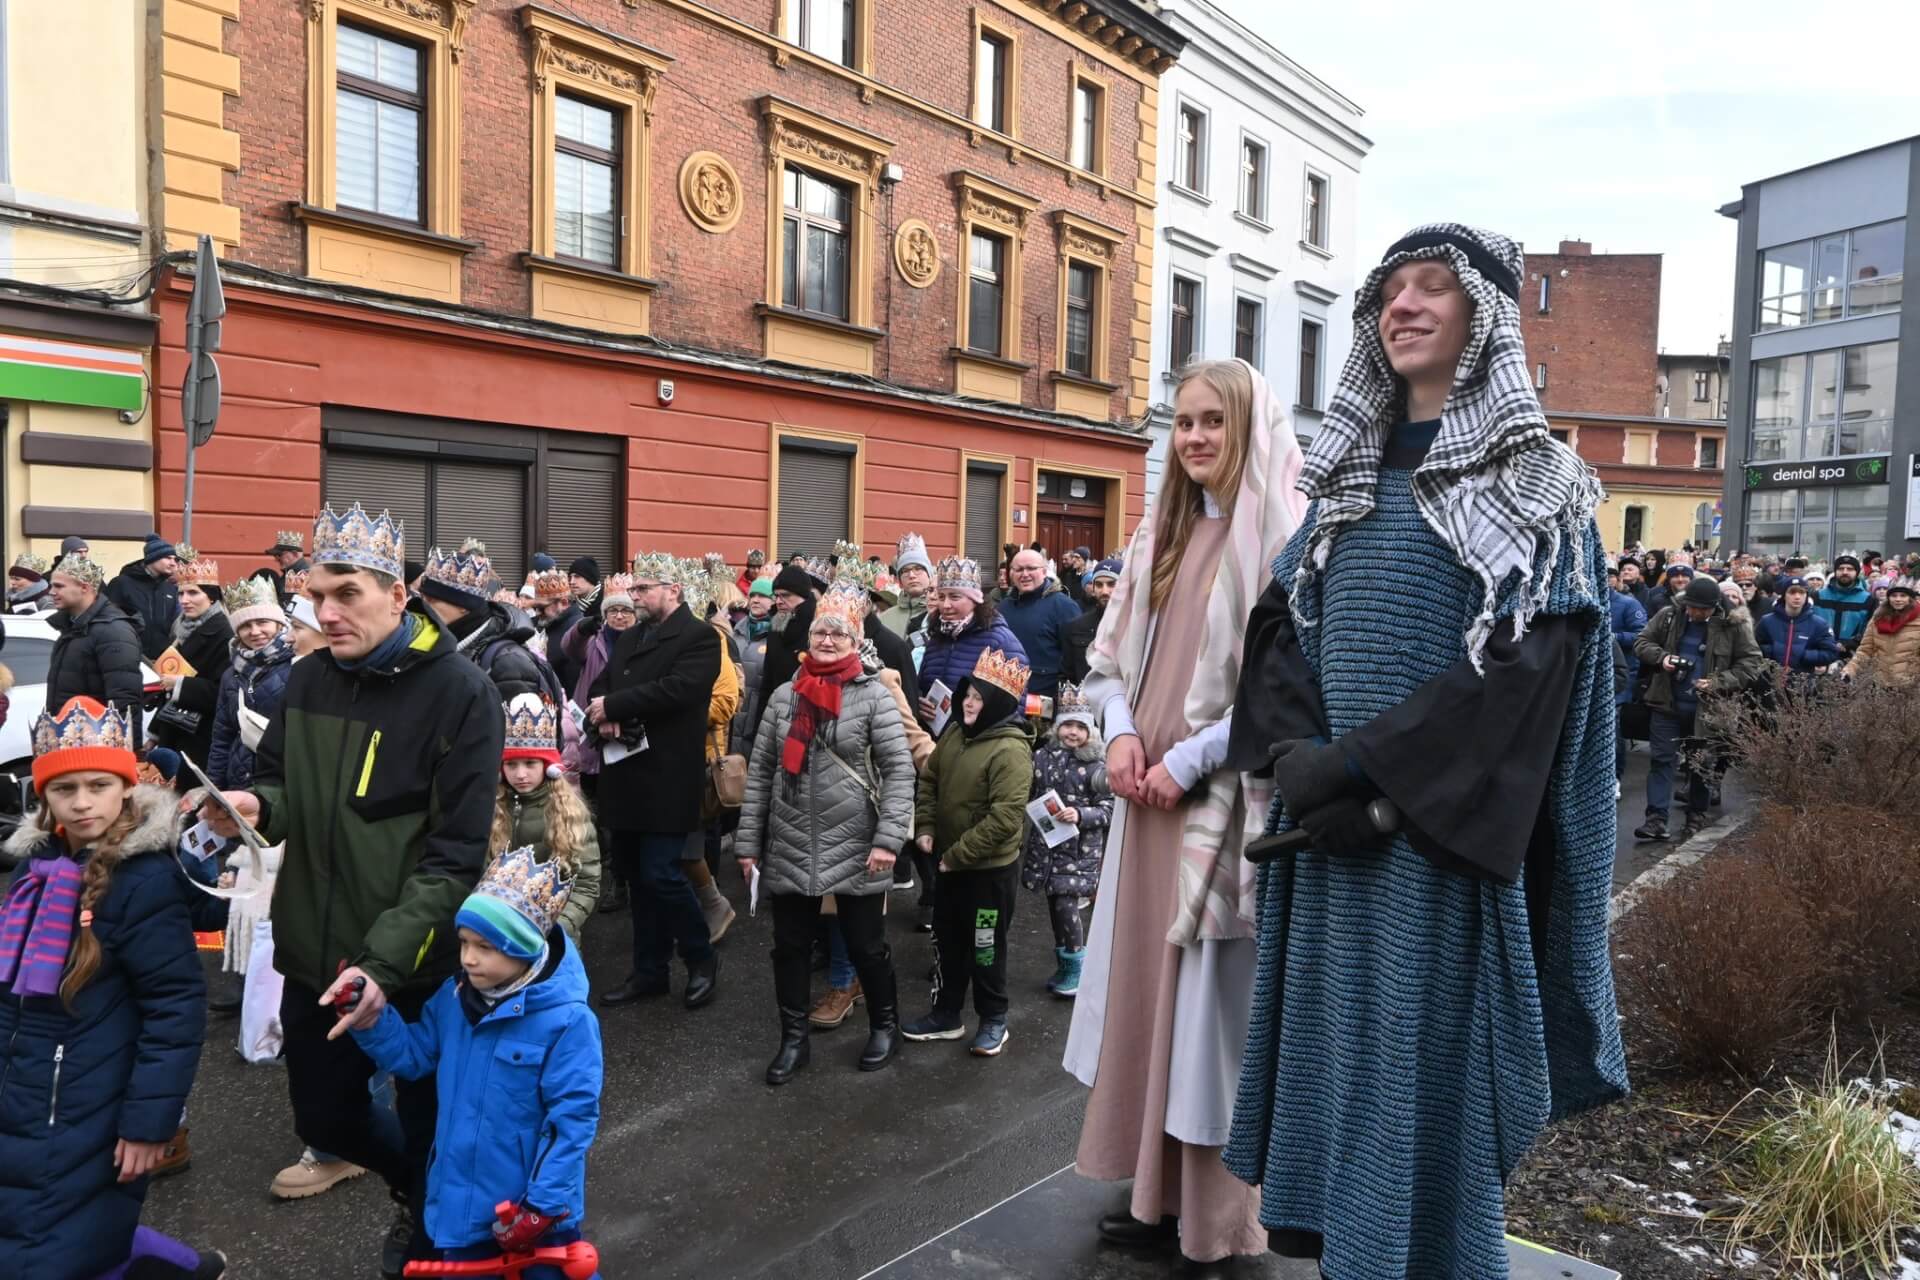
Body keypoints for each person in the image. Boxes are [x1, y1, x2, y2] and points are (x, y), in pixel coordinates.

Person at [1223, 227, 1629, 1278]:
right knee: (1336, 1076)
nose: (1403, 305)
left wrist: (1369, 774)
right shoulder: (1347, 478)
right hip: (1331, 847)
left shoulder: (1539, 486)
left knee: (1423, 1089)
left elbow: (1532, 671)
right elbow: (1281, 624)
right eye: (1391, 291)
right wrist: (1309, 758)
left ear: (1482, 318)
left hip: (1433, 856)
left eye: (1432, 287)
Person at [204, 503, 504, 1279]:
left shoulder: (461, 693)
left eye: (345, 595)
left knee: (430, 1120)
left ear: (397, 596)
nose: (324, 613)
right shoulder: (305, 680)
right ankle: (415, 1183)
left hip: (417, 967)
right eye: (315, 596)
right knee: (324, 1115)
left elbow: (454, 856)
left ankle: (433, 1228)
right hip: (313, 951)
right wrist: (256, 806)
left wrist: (384, 964)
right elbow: (285, 786)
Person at [1057, 357, 1303, 1263]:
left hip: (1218, 813)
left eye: (1214, 421)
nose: (1196, 437)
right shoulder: (1158, 536)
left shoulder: (1285, 545)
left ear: (1247, 427)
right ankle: (1153, 1194)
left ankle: (1215, 1218)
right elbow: (1112, 659)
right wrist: (1121, 738)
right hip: (1144, 802)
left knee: (1208, 1025)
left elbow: (1286, 692)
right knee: (1148, 1003)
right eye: (1185, 422)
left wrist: (1189, 759)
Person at [0, 697, 225, 1279]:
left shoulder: (145, 881)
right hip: (30, 1085)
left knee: (51, 1247)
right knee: (39, 1229)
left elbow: (174, 1009)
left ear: (125, 787)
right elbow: (11, 991)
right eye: (63, 788)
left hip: (92, 1096)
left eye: (98, 785)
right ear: (42, 795)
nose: (80, 803)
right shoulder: (35, 870)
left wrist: (151, 1123)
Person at [351, 846, 602, 1278]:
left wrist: (541, 1206)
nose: (468, 958)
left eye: (485, 946)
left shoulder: (568, 1021)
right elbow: (414, 1057)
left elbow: (572, 1121)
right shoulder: (454, 999)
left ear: (522, 947)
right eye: (464, 942)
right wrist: (371, 1019)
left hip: (532, 1218)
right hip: (460, 1208)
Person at [736, 582, 915, 1084]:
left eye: (840, 633)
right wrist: (748, 844)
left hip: (857, 840)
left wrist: (888, 840)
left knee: (866, 945)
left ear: (856, 641)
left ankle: (885, 1025)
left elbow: (900, 772)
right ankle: (793, 1041)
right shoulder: (783, 696)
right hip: (792, 839)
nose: (829, 641)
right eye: (821, 632)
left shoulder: (875, 696)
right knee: (789, 948)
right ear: (807, 638)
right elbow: (762, 774)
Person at [588, 552, 721, 1011]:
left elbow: (680, 690)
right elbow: (598, 688)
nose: (635, 596)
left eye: (644, 588)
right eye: (635, 588)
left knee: (662, 874)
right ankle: (650, 971)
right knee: (636, 878)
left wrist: (615, 707)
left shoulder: (700, 637)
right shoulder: (629, 637)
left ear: (674, 590)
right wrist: (601, 716)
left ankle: (701, 958)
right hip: (624, 774)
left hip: (667, 776)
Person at [901, 647, 1034, 1058]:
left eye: (978, 697)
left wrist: (956, 856)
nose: (968, 703)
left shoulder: (1011, 751)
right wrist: (924, 826)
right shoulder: (956, 732)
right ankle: (946, 1014)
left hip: (987, 874)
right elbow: (929, 780)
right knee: (947, 940)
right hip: (949, 866)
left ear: (998, 702)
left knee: (985, 945)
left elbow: (1005, 819)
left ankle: (994, 1018)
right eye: (967, 695)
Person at [1633, 573, 1765, 843]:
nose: (1694, 613)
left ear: (1714, 606)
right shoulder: (1670, 616)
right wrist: (1663, 658)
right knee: (1661, 761)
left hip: (1707, 710)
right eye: (1691, 607)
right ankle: (1656, 819)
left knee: (1701, 765)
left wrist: (1718, 682)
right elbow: (1641, 642)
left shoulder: (1734, 626)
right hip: (1666, 703)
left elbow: (1751, 664)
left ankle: (1696, 815)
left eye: (1701, 609)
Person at [1020, 681, 1110, 998]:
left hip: (1077, 853)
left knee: (1066, 908)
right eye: (1067, 725)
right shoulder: (1043, 757)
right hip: (1047, 847)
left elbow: (1108, 809)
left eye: (1079, 726)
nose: (1072, 732)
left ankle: (1077, 967)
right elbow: (1031, 791)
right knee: (1054, 907)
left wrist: (1080, 815)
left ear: (1090, 731)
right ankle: (1065, 963)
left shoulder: (1096, 766)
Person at [492, 695, 602, 941]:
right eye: (511, 765)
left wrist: (558, 929)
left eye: (531, 763)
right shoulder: (492, 811)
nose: (521, 774)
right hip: (497, 936)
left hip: (553, 938)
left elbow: (586, 883)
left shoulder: (570, 813)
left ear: (548, 765)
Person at [418, 544, 555, 712]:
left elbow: (516, 734)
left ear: (463, 605)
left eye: (432, 600)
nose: (423, 607)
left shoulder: (509, 663)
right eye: (422, 598)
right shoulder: (438, 643)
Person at [149, 548, 234, 784]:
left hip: (200, 738)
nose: (184, 600)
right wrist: (154, 733)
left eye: (193, 593)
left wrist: (180, 684)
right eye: (181, 593)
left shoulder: (224, 634)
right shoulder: (181, 629)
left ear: (212, 597)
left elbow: (222, 692)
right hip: (174, 728)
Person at [46, 556, 145, 740]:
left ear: (84, 587)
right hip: (73, 740)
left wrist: (126, 750)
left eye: (59, 586)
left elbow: (124, 699)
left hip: (98, 747)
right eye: (52, 585)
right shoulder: (72, 627)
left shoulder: (113, 631)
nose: (51, 592)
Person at [1000, 549, 1082, 701]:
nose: (1024, 574)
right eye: (1018, 569)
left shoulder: (1064, 607)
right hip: (1007, 699)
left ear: (1044, 572)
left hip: (1046, 702)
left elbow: (1074, 660)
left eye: (1031, 568)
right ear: (1011, 574)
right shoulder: (1003, 607)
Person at [1755, 574, 1839, 693]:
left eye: (1802, 593)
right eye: (1792, 592)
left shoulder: (1818, 624)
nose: (1797, 597)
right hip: (1769, 685)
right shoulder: (1767, 621)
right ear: (1784, 595)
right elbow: (1753, 648)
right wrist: (1772, 651)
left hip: (1803, 687)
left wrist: (1805, 655)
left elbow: (1831, 653)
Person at [106, 534, 183, 661]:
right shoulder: (121, 583)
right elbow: (107, 619)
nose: (173, 563)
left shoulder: (169, 589)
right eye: (168, 558)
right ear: (152, 558)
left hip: (162, 660)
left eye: (175, 559)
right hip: (128, 657)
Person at [1607, 566, 1647, 787]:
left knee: (1612, 726)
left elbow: (1641, 635)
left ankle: (1614, 778)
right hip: (1591, 674)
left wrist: (1613, 637)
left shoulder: (1628, 604)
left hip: (1621, 672)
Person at [1841, 576, 1920, 687]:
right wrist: (1851, 669)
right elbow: (1865, 650)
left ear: (1910, 598)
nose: (1898, 599)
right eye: (1894, 595)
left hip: (1910, 686)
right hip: (1880, 685)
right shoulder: (1878, 619)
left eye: (1903, 596)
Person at [1061, 556, 1120, 686]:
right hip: (1086, 702)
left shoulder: (1136, 625)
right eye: (1099, 585)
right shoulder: (1076, 626)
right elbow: (1067, 674)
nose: (1105, 591)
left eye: (1111, 584)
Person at [731, 576, 774, 748]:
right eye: (752, 595)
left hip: (758, 714)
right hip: (733, 711)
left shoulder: (776, 635)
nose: (755, 599)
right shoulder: (736, 631)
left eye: (762, 596)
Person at [1814, 554, 1873, 658]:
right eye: (1841, 568)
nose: (1845, 572)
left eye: (1850, 569)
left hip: (1851, 655)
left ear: (1857, 573)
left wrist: (1850, 643)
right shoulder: (1818, 596)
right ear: (1835, 572)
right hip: (1820, 653)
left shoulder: (1868, 599)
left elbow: (1869, 628)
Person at [879, 531, 934, 641]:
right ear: (899, 580)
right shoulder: (884, 619)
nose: (912, 575)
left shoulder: (939, 616)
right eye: (905, 571)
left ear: (929, 575)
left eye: (918, 569)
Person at [253, 530, 306, 601]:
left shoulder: (299, 576)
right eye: (275, 555)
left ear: (295, 554)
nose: (276, 559)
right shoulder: (290, 573)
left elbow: (288, 608)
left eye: (280, 555)